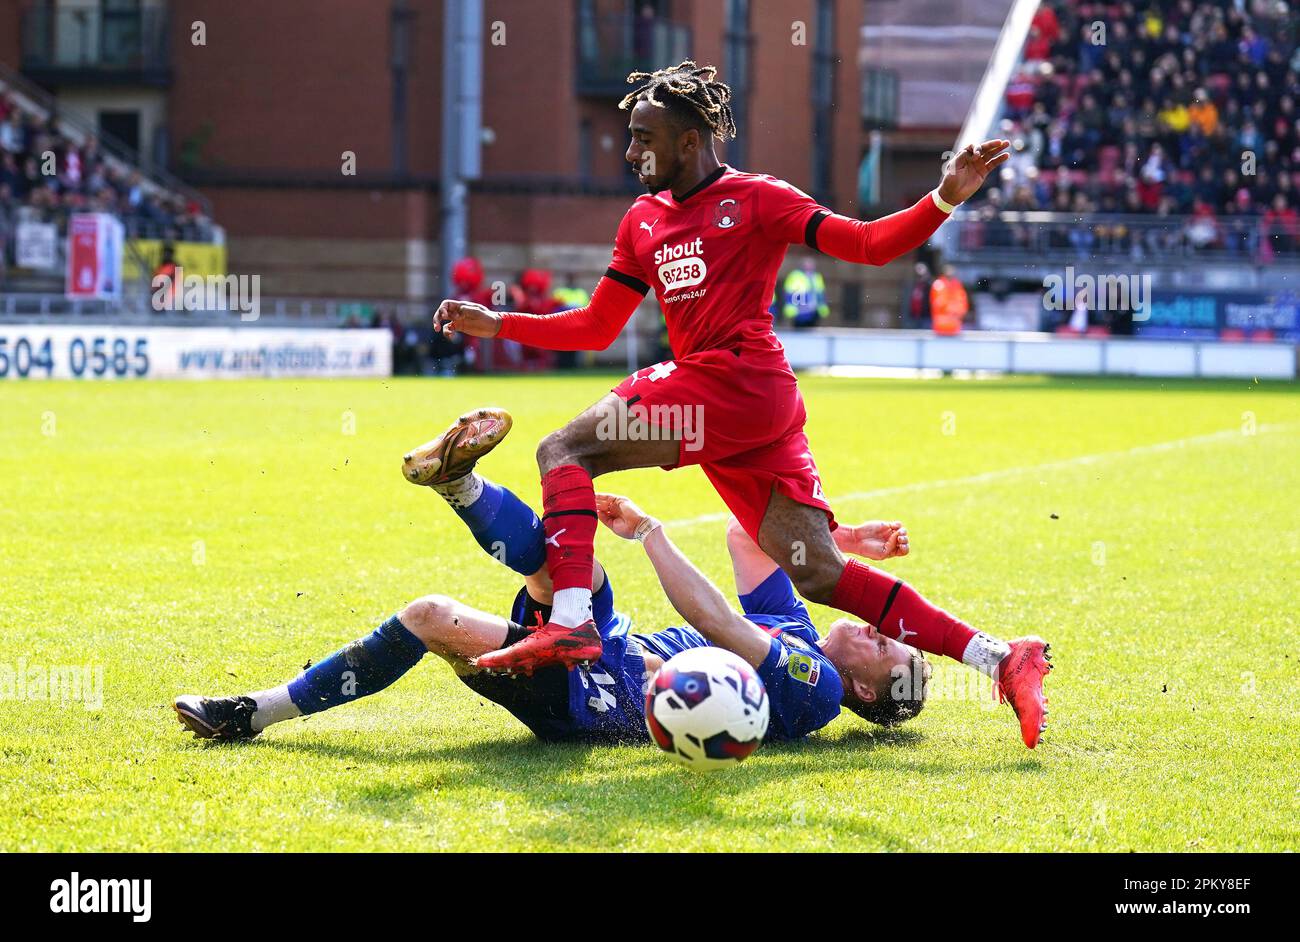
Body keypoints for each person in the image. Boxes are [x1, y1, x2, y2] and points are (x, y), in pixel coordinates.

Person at [426, 63, 1047, 747]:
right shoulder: (642, 220)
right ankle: (999, 656)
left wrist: (944, 198)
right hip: (746, 415)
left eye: (644, 139)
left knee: (563, 450)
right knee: (820, 575)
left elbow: (866, 245)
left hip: (736, 382)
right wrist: (501, 323)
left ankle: (572, 620)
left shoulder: (757, 199)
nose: (632, 154)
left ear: (690, 142)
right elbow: (598, 326)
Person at [173, 408, 947, 746]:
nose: (882, 630)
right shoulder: (804, 627)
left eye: (888, 651)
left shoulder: (813, 689)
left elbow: (719, 626)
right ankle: (458, 483)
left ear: (868, 693)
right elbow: (748, 531)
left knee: (429, 614)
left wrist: (650, 534)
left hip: (598, 700)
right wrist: (834, 540)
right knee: (568, 566)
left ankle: (252, 714)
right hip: (607, 648)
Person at [780, 257, 829, 328]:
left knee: (812, 330)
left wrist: (821, 306)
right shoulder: (795, 276)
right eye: (807, 265)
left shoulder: (816, 276)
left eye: (811, 265)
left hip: (814, 311)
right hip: (800, 311)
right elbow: (790, 293)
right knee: (800, 331)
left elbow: (820, 293)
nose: (810, 267)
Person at [929, 266, 969, 336]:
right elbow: (938, 304)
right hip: (940, 327)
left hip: (955, 327)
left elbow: (962, 304)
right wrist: (952, 308)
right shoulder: (938, 285)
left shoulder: (957, 285)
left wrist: (956, 310)